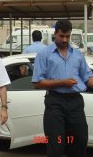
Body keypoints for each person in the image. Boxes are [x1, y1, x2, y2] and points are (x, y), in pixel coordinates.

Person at [32, 19, 93, 157]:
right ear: (55, 34)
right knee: (56, 144)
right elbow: (37, 82)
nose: (65, 39)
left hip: (75, 102)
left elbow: (87, 78)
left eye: (68, 36)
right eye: (61, 36)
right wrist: (62, 83)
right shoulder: (44, 54)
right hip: (55, 102)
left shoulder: (78, 55)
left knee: (79, 140)